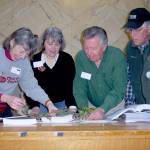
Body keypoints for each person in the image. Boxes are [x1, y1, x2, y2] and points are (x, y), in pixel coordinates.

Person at [0, 27, 57, 117]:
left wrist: (48, 103)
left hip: (3, 109)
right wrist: (6, 98)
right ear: (12, 42)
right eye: (21, 51)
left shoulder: (24, 63)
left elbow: (31, 87)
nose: (23, 57)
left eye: (27, 54)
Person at [73, 26, 127, 120]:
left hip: (114, 106)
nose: (89, 53)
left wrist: (102, 109)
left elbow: (119, 89)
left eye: (93, 48)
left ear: (104, 46)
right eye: (86, 48)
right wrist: (84, 109)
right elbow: (79, 88)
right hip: (90, 106)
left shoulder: (117, 56)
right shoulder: (81, 57)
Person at [25, 27, 77, 113]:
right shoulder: (35, 59)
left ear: (61, 45)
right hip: (41, 104)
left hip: (62, 104)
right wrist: (34, 106)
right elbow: (30, 86)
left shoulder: (67, 59)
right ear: (43, 43)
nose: (53, 48)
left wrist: (72, 106)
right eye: (50, 44)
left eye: (57, 44)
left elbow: (69, 85)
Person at [123, 8, 150, 106]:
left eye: (137, 30)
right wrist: (129, 107)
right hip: (141, 108)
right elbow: (130, 78)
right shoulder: (130, 47)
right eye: (130, 30)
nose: (132, 35)